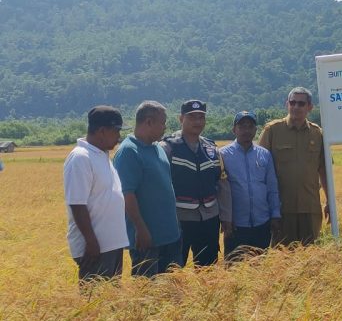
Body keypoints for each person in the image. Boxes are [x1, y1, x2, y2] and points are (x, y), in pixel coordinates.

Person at [113, 101, 181, 276]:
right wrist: (140, 229)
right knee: (148, 293)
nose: (165, 127)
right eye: (162, 122)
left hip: (170, 235)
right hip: (148, 240)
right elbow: (127, 194)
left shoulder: (157, 148)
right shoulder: (129, 151)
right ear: (148, 122)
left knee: (172, 293)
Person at [63, 106, 130, 282]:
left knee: (110, 302)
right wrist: (91, 242)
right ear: (102, 131)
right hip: (96, 248)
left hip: (111, 244)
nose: (119, 137)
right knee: (94, 304)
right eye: (116, 131)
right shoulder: (80, 158)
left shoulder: (102, 155)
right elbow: (77, 204)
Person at [161, 99, 231, 267]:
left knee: (208, 270)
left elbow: (222, 184)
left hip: (209, 218)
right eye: (192, 117)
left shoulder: (212, 149)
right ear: (181, 118)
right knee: (173, 271)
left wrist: (226, 217)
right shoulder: (167, 147)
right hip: (179, 219)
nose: (197, 121)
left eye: (201, 117)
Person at [258, 87, 328, 246]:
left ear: (310, 107)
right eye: (292, 102)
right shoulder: (272, 130)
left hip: (309, 207)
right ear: (287, 104)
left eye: (301, 103)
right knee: (281, 258)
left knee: (310, 256)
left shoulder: (318, 134)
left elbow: (324, 170)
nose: (296, 107)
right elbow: (259, 169)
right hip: (281, 208)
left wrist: (330, 201)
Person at [220, 111, 281, 259]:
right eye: (242, 126)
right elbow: (220, 190)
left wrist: (275, 215)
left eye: (250, 126)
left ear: (255, 130)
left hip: (262, 223)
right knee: (234, 269)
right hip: (235, 226)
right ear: (234, 129)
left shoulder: (264, 154)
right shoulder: (222, 155)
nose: (246, 130)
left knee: (259, 271)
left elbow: (272, 188)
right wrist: (224, 219)